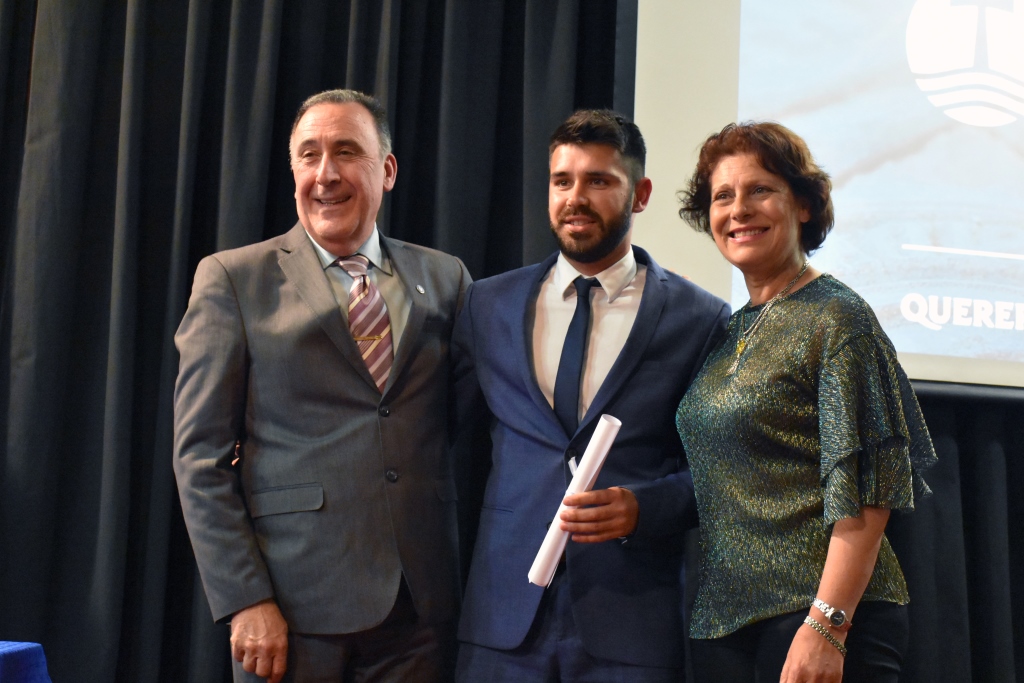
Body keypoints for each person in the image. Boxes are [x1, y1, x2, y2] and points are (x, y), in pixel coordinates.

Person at [173, 89, 470, 683]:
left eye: (345, 152)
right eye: (309, 156)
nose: (325, 174)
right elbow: (200, 457)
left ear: (385, 170)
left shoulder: (445, 277)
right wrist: (244, 600)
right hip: (289, 615)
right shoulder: (233, 278)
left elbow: (477, 423)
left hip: (420, 611)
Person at [452, 109, 730, 682]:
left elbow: (723, 475)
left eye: (599, 181)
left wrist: (643, 509)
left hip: (631, 624)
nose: (576, 197)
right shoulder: (487, 305)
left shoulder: (698, 319)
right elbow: (451, 449)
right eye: (563, 181)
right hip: (502, 627)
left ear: (641, 193)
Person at [675, 121, 938, 683]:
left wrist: (827, 624)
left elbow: (869, 491)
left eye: (760, 190)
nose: (739, 209)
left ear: (802, 205)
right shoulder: (728, 332)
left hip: (819, 620)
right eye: (723, 196)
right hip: (722, 626)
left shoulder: (837, 317)